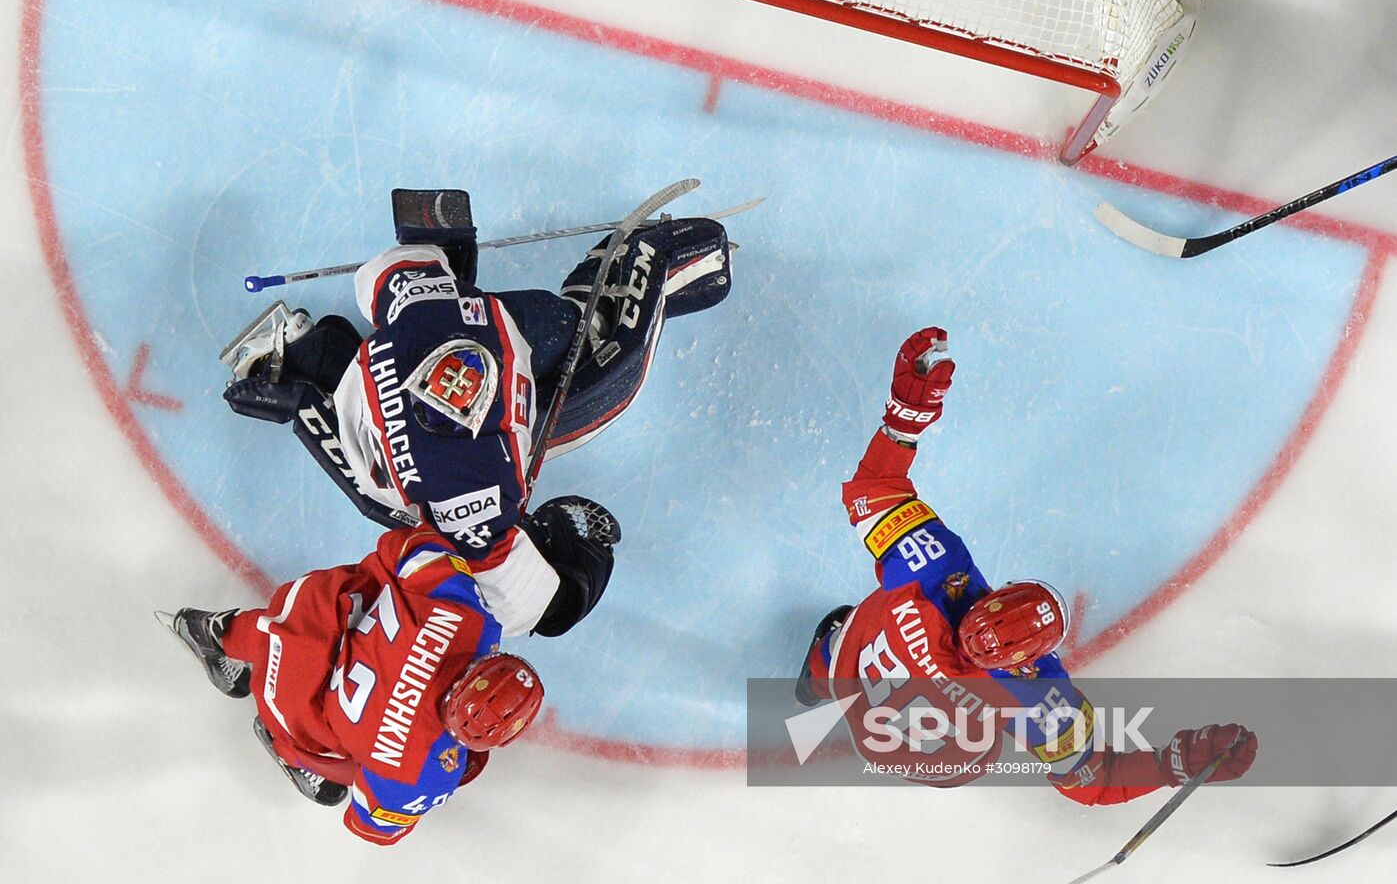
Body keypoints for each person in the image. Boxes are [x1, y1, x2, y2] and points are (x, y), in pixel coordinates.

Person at [220, 188, 732, 637]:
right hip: (368, 428)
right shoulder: (469, 487)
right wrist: (300, 406)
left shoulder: (475, 489)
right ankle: (305, 355)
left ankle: (305, 355)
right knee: (571, 339)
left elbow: (539, 606)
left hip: (370, 416)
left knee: (576, 352)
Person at [795, 327, 1258, 803]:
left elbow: (876, 488)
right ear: (1030, 661)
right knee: (976, 745)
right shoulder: (1042, 699)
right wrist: (1172, 764)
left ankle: (815, 676)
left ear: (993, 596)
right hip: (914, 756)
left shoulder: (933, 566)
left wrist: (906, 418)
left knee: (850, 636)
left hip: (853, 666)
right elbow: (1094, 781)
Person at [158, 519, 588, 845]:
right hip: (298, 717)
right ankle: (288, 752)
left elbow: (405, 544)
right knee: (346, 765)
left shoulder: (474, 620)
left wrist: (382, 582)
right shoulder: (423, 775)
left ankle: (218, 632)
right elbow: (369, 828)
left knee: (305, 627)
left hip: (307, 640)